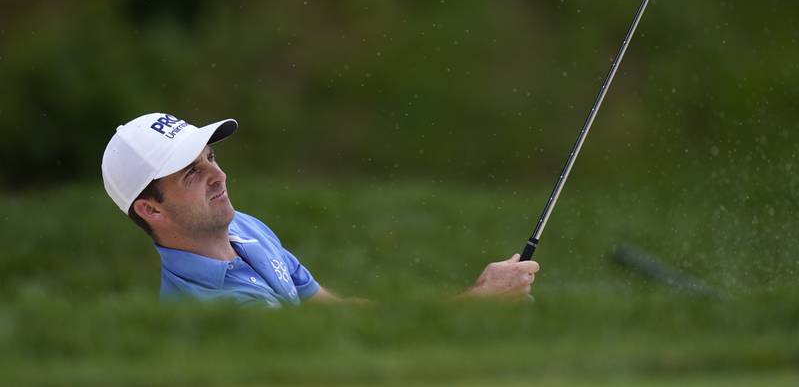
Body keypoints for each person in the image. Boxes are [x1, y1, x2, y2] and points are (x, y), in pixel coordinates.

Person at [102, 113, 540, 307]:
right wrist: (475, 304)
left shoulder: (245, 229)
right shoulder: (212, 308)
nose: (217, 176)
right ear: (151, 210)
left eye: (210, 158)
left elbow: (338, 316)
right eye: (190, 175)